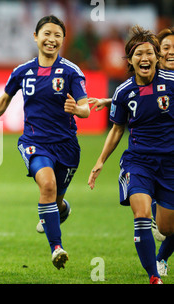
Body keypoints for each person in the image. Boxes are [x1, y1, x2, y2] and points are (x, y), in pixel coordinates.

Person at [0, 15, 90, 270]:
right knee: (46, 185)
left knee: (55, 199)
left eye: (57, 35)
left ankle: (60, 209)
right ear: (36, 37)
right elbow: (4, 100)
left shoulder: (71, 72)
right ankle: (56, 247)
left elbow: (85, 109)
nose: (52, 39)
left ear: (63, 40)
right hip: (34, 143)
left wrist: (77, 110)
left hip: (67, 146)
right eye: (47, 33)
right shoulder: (22, 71)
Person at [88, 25, 174, 284]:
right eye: (138, 54)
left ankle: (160, 221)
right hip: (138, 162)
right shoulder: (124, 91)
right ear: (130, 60)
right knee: (141, 213)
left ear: (157, 57)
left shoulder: (171, 83)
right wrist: (100, 161)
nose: (144, 58)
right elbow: (117, 129)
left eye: (149, 53)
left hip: (170, 164)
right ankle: (153, 277)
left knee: (169, 228)